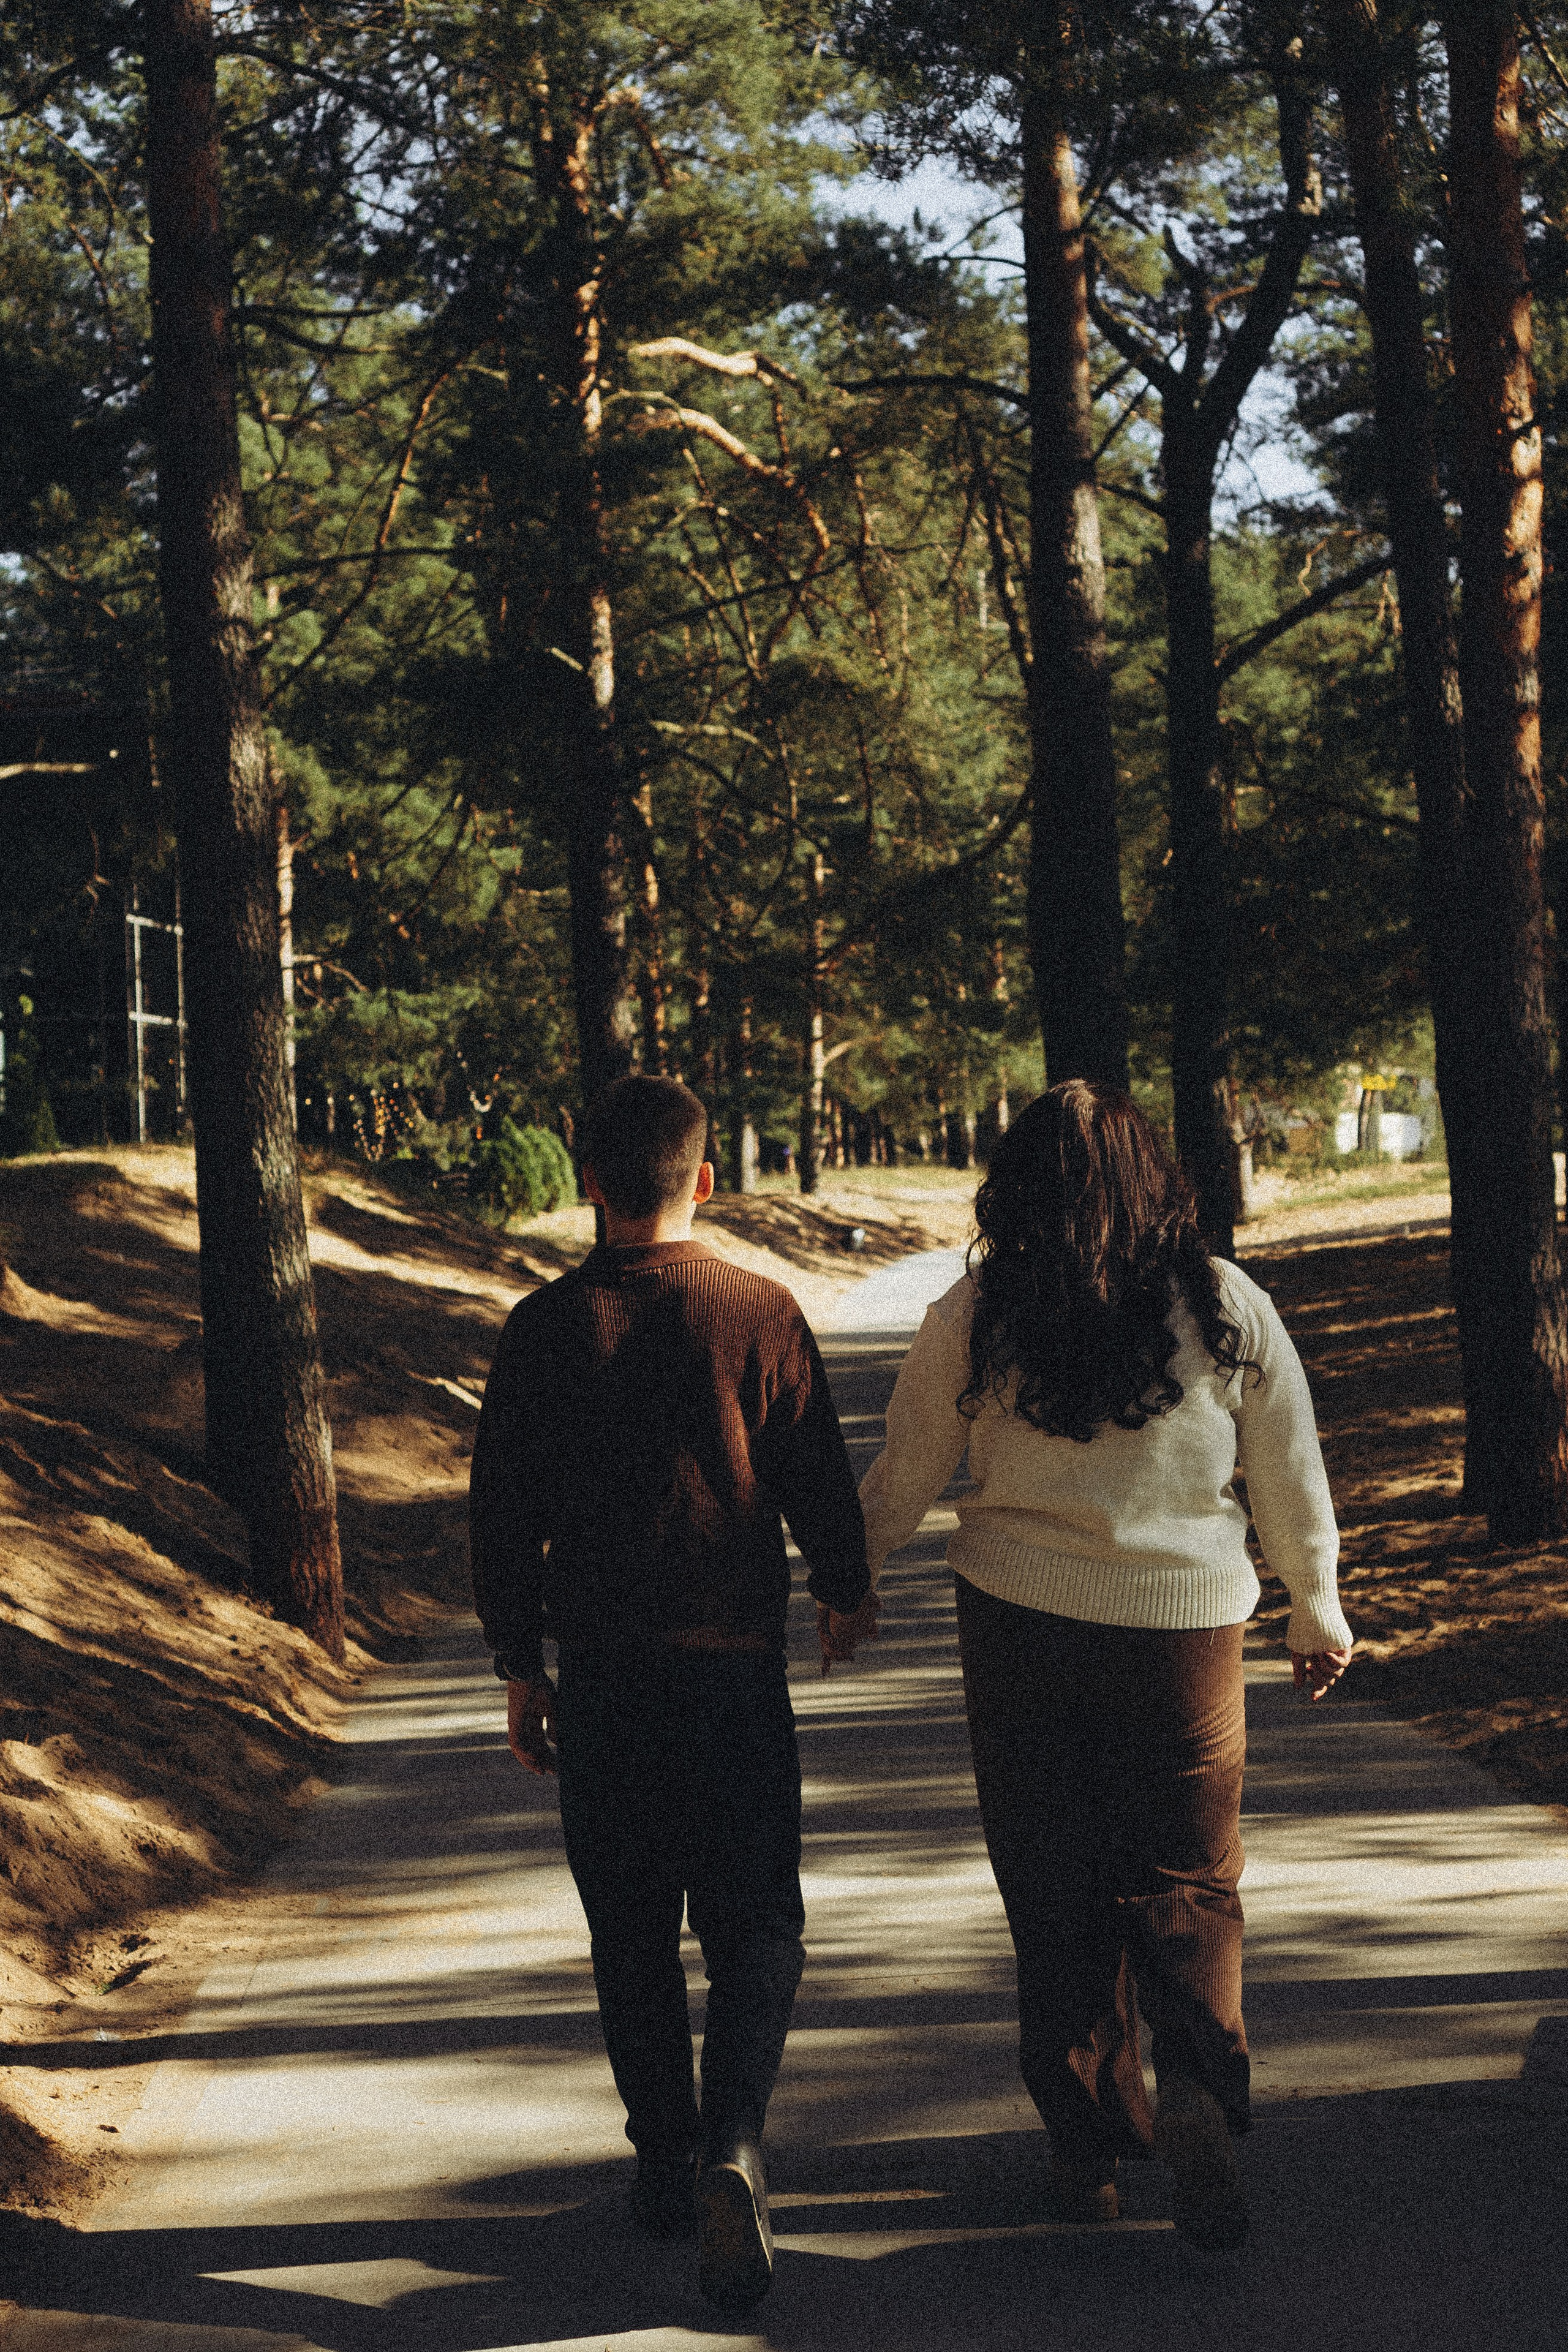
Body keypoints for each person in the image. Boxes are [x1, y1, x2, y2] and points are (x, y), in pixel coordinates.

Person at [858, 1080, 1352, 2250]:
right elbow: (1288, 1467)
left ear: (1017, 1189)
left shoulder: (981, 1310)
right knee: (1192, 1878)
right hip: (1184, 1633)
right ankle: (1199, 2095)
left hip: (1018, 1625)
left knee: (1052, 1883)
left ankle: (1086, 2151)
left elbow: (905, 1469)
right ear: (1154, 1179)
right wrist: (1316, 1608)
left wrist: (849, 1574)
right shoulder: (1224, 1305)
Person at [469, 1074, 878, 2312]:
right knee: (757, 1925)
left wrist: (518, 1663)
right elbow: (813, 1467)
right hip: (733, 1672)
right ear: (704, 1180)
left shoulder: (541, 1328)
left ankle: (663, 2161)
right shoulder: (758, 1310)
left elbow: (501, 1515)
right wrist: (843, 1587)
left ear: (587, 1182)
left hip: (605, 1682)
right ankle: (733, 2143)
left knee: (631, 1926)